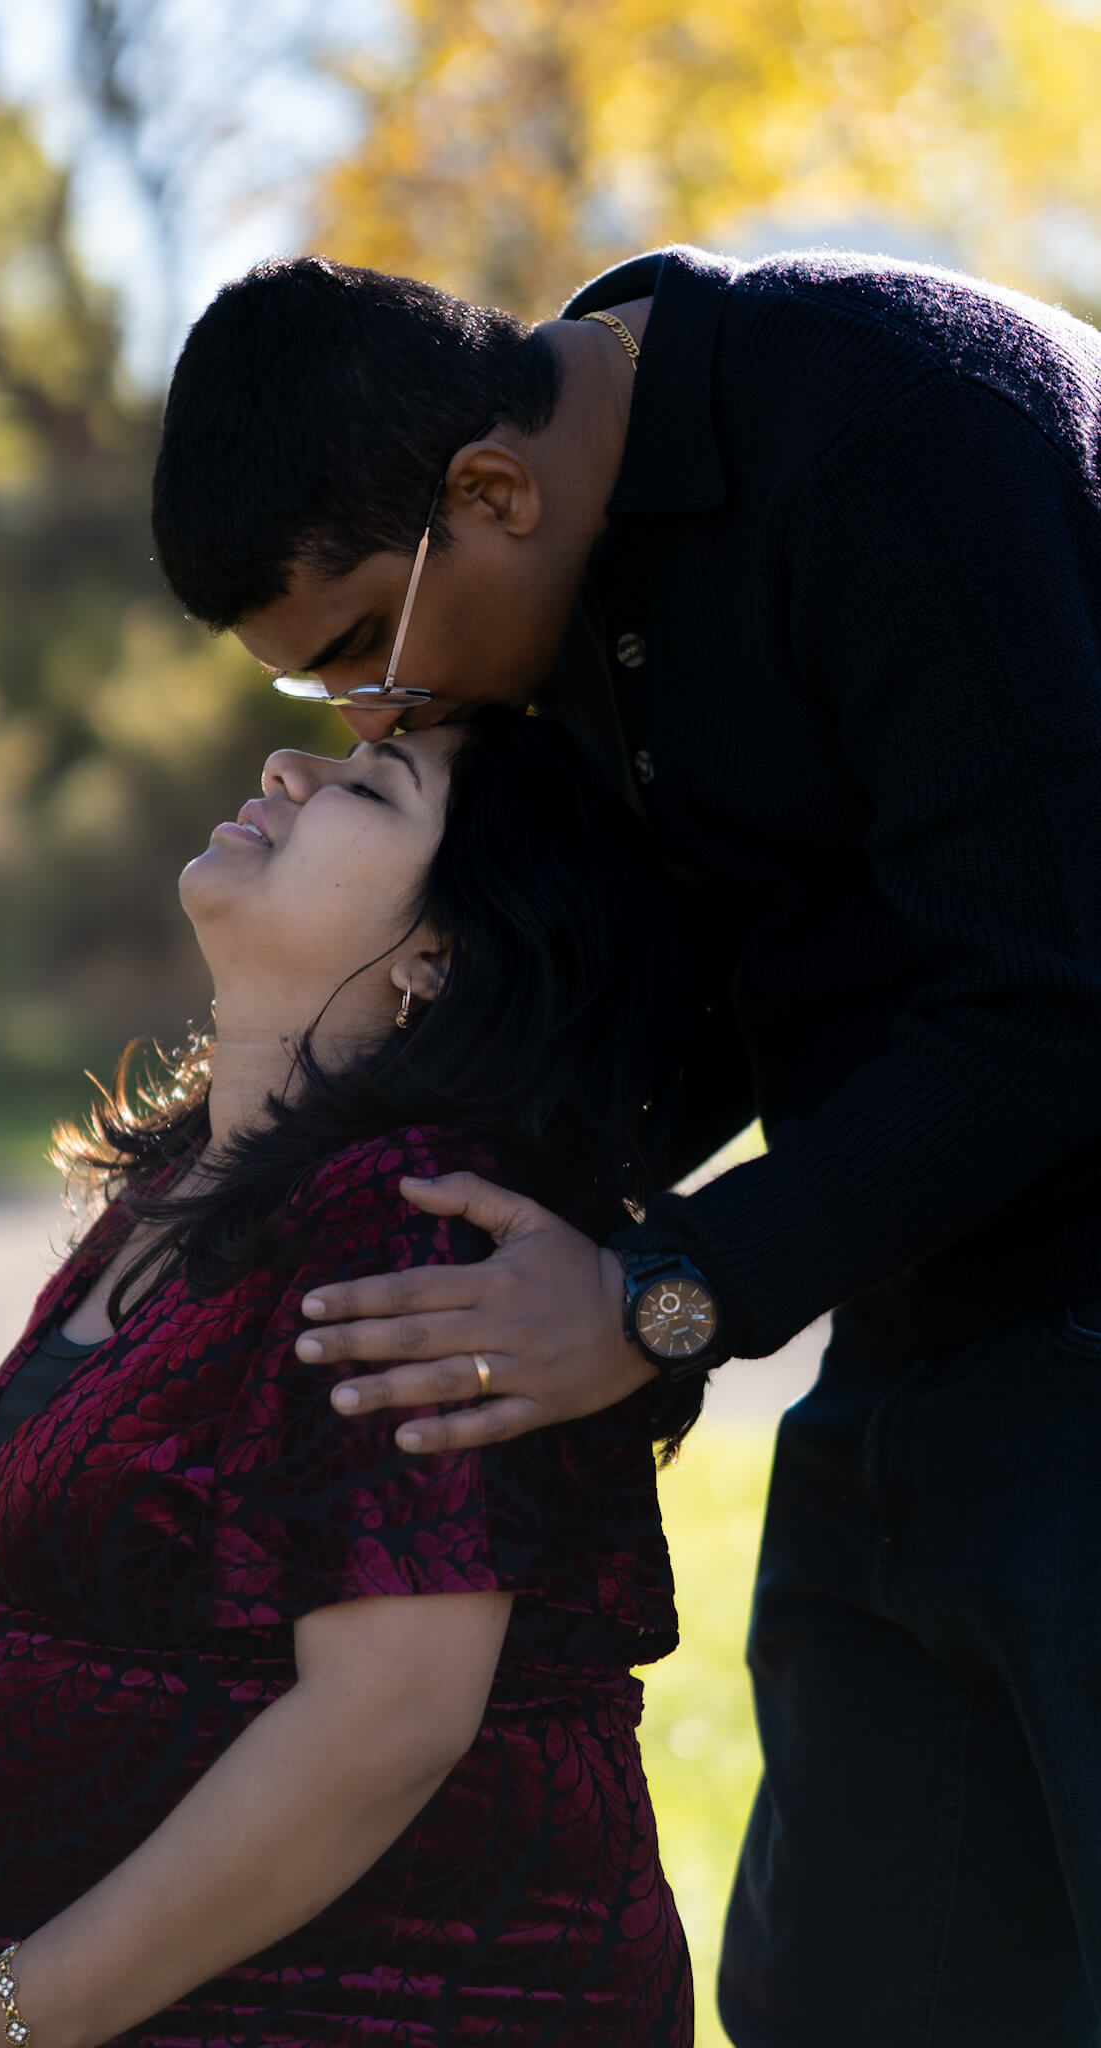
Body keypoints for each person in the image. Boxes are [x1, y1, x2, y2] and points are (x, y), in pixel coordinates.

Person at [148, 247, 1101, 2045]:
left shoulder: (906, 428)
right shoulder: (561, 572)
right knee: (840, 2000)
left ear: (492, 492)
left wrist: (664, 1294)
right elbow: (705, 1006)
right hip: (904, 1324)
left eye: (360, 644)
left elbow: (1053, 1003)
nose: (374, 714)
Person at [0, 708, 697, 2048]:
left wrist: (22, 2009)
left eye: (374, 784)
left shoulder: (413, 1218)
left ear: (438, 956)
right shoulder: (183, 1189)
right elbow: (74, 1656)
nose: (288, 768)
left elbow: (393, 1714)